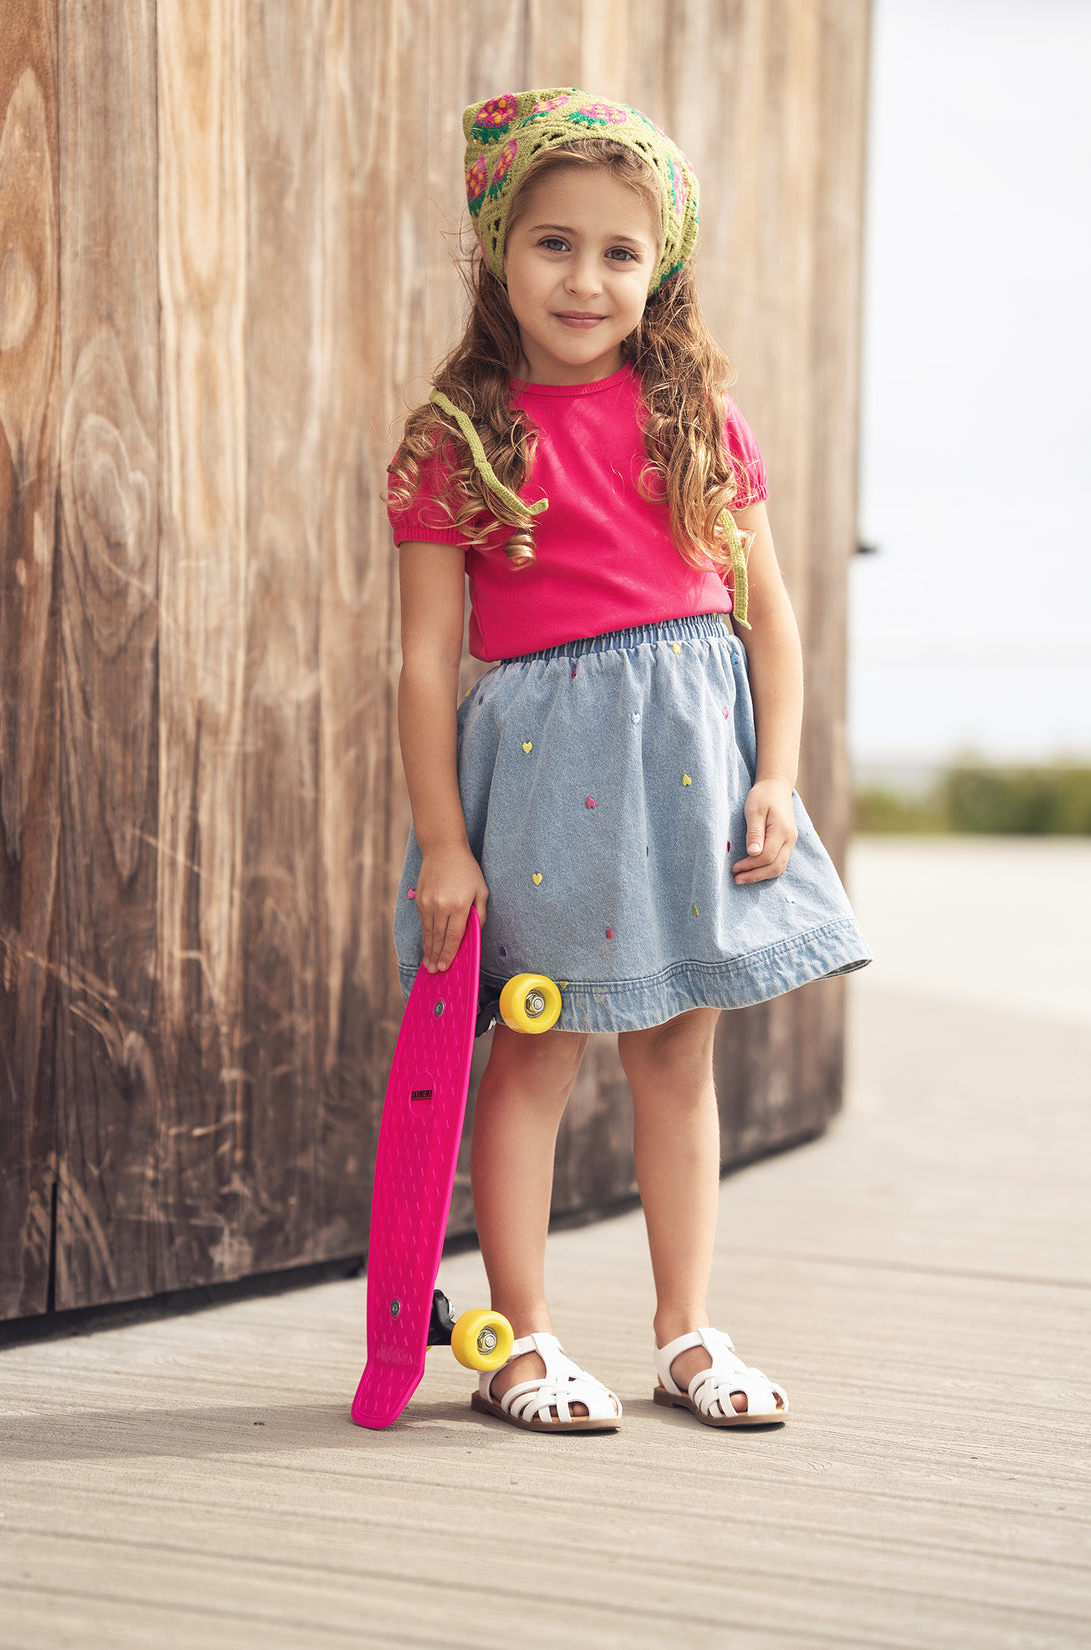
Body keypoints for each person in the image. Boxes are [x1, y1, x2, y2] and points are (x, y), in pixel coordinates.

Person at [386, 89, 871, 1434]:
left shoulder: (699, 416)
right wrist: (443, 839)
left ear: (661, 265)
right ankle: (520, 1336)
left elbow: (766, 616)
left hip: (696, 767)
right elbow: (428, 659)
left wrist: (776, 775)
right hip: (547, 770)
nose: (586, 278)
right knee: (539, 1051)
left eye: (617, 250)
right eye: (554, 244)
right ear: (499, 251)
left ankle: (683, 1327)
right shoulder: (453, 437)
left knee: (675, 1057)